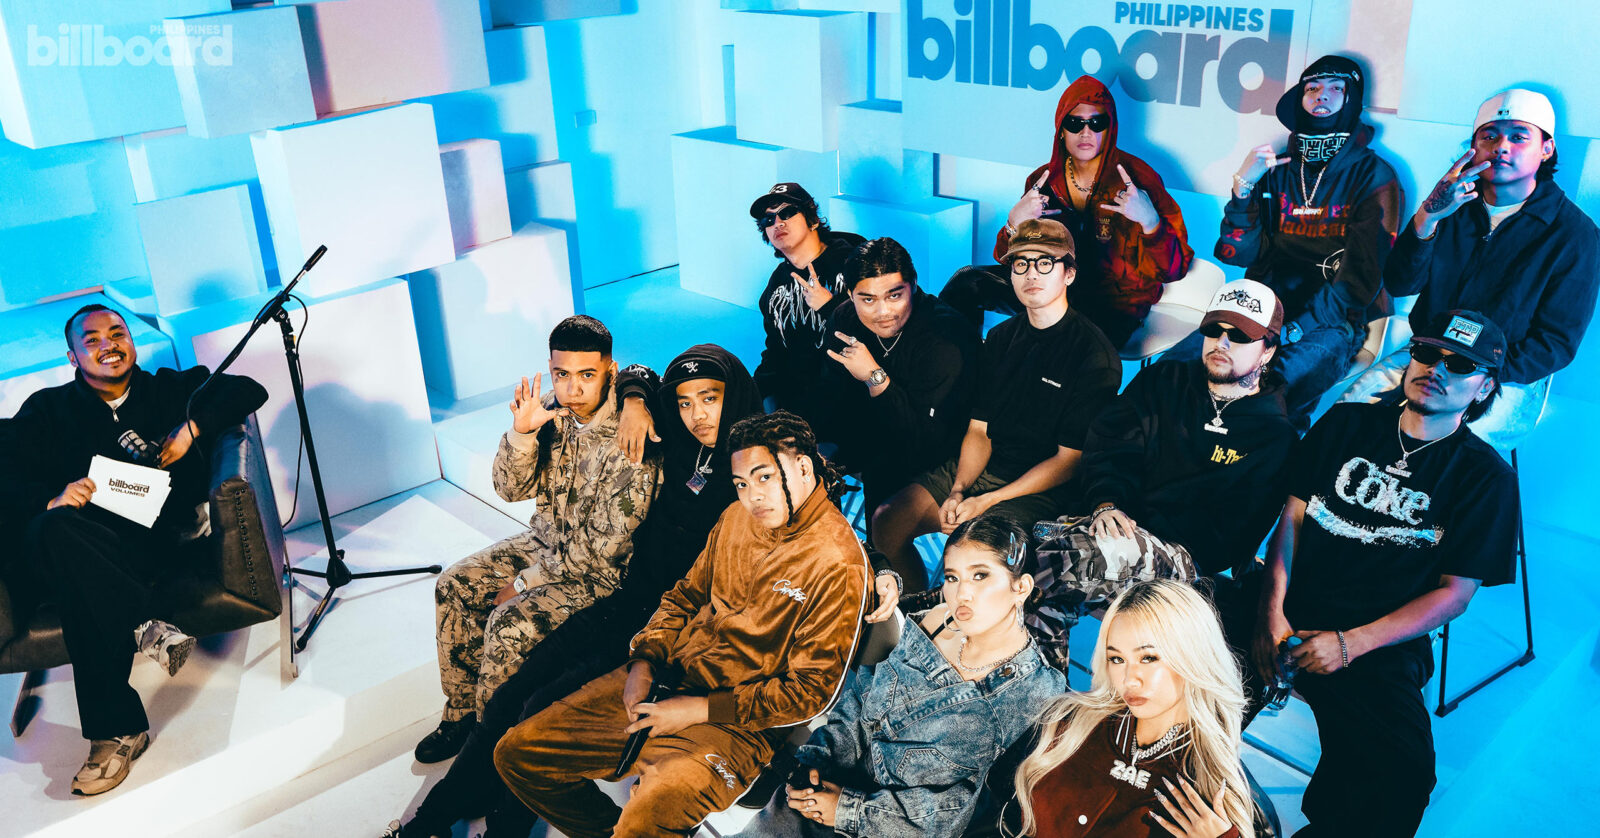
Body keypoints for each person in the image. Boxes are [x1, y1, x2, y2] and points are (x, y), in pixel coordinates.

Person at [381, 345, 762, 838]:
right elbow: (642, 371)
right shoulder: (674, 430)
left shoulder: (754, 471)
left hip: (672, 629)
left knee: (536, 710)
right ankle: (429, 821)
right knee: (509, 699)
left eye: (710, 398)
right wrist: (635, 401)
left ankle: (504, 826)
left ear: (735, 395)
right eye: (685, 402)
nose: (697, 414)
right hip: (627, 603)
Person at [493, 412, 872, 838]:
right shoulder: (735, 518)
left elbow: (811, 693)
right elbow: (685, 596)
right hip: (666, 679)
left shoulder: (839, 562)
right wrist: (643, 661)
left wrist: (697, 709)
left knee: (644, 822)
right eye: (741, 483)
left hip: (735, 726)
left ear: (803, 467)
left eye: (764, 477)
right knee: (517, 753)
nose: (752, 497)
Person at [1252, 309, 1519, 835]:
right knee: (1182, 676)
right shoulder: (1346, 423)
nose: (1435, 369)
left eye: (1459, 364)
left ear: (1485, 386)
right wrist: (1270, 612)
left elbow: (1455, 595)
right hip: (1281, 610)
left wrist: (1350, 644)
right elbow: (1291, 521)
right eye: (1427, 353)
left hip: (1377, 642)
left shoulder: (1486, 477)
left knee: (1402, 776)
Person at [0, 304, 268, 795]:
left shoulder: (170, 390)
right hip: (71, 544)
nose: (108, 345)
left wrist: (191, 428)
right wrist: (52, 497)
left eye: (116, 333)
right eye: (92, 340)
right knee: (56, 530)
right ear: (73, 356)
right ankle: (145, 623)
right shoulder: (48, 409)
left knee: (83, 586)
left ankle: (117, 732)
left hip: (147, 547)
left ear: (131, 341)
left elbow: (247, 388)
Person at [419, 315, 661, 763]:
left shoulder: (630, 434)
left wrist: (525, 582)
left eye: (587, 375)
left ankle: (486, 751)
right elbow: (509, 489)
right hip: (543, 544)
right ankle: (462, 715)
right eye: (562, 374)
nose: (573, 388)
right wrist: (522, 433)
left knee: (507, 624)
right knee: (452, 584)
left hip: (598, 577)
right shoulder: (550, 410)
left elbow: (604, 549)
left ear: (610, 370)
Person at [731, 516, 1065, 838]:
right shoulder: (937, 621)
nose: (962, 594)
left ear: (1021, 587)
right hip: (824, 792)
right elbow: (864, 695)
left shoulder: (1037, 693)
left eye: (980, 576)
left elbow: (966, 810)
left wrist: (848, 810)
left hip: (892, 826)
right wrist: (817, 762)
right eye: (952, 577)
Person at [1029, 280, 1297, 669]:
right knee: (1038, 599)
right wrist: (1107, 503)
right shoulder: (1165, 381)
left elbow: (1232, 537)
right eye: (1214, 330)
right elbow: (1111, 445)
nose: (1221, 343)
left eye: (1239, 336)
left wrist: (1145, 538)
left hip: (1185, 562)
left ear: (1267, 350)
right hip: (1114, 531)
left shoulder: (1273, 437)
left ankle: (995, 587)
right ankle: (1039, 692)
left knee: (1070, 561)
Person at [1342, 88, 1599, 451]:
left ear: (1546, 148)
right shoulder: (1453, 203)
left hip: (1504, 377)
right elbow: (1400, 284)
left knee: (1447, 455)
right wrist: (1428, 217)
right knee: (1344, 419)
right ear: (1474, 146)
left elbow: (1555, 343)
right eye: (1489, 136)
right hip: (1426, 356)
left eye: (1519, 137)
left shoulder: (1574, 234)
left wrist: (1481, 374)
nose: (1501, 147)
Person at [873, 218, 1121, 593]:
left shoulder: (1094, 355)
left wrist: (988, 500)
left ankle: (959, 617)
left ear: (1069, 274)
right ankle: (916, 609)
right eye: (1021, 264)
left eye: (1045, 263)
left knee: (969, 552)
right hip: (989, 467)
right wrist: (958, 490)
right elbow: (979, 429)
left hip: (1043, 489)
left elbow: (1068, 461)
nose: (1031, 274)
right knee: (888, 520)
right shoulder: (1002, 337)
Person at [1183, 55, 1402, 429]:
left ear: (1352, 100)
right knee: (1178, 374)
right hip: (1258, 306)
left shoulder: (1375, 174)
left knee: (1264, 398)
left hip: (1331, 321)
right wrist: (1243, 189)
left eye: (1336, 88)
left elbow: (1359, 280)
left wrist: (1295, 328)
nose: (1322, 95)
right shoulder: (1276, 167)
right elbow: (1239, 253)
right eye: (1312, 87)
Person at [939, 74, 1192, 349]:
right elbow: (1007, 259)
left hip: (1113, 305)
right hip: (1051, 286)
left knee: (1055, 343)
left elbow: (1174, 269)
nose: (1086, 133)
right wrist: (1014, 223)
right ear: (1061, 129)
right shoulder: (1043, 181)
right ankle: (959, 365)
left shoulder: (1138, 179)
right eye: (1075, 123)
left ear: (1109, 129)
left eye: (1096, 123)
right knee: (968, 282)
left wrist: (1150, 221)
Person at [991, 579, 1255, 838]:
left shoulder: (1210, 783)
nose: (1129, 679)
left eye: (1148, 658)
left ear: (1192, 657)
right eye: (1117, 659)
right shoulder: (1068, 721)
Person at [820, 236, 979, 515]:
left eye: (894, 296)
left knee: (881, 468)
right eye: (868, 299)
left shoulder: (945, 337)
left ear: (913, 285)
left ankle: (878, 543)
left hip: (938, 449)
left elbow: (923, 443)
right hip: (870, 431)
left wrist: (875, 377)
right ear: (850, 294)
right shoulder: (845, 318)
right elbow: (830, 397)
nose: (883, 312)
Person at [751, 182, 867, 424]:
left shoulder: (855, 263)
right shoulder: (774, 290)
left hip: (855, 401)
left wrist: (829, 307)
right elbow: (776, 351)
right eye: (769, 220)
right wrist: (753, 395)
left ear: (812, 219)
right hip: (800, 408)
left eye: (787, 213)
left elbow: (881, 332)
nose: (777, 223)